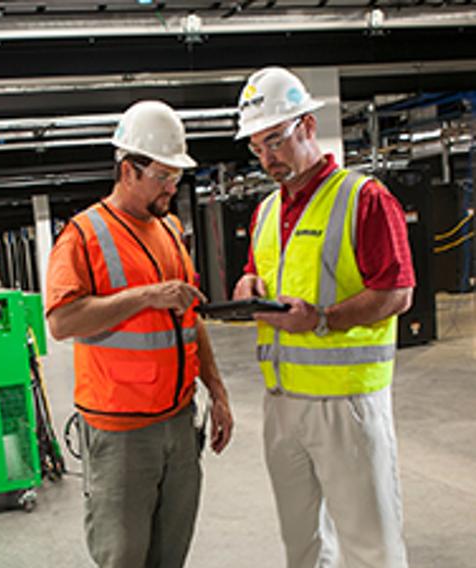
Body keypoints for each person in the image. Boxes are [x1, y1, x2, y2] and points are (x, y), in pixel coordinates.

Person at [232, 67, 414, 568]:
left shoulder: (364, 199)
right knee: (302, 544)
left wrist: (322, 319)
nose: (268, 157)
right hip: (282, 400)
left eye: (276, 140)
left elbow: (398, 292)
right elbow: (255, 274)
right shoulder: (266, 210)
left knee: (369, 544)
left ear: (308, 127)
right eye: (257, 147)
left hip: (346, 402)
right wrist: (249, 289)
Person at [45, 100, 234, 568]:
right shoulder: (83, 235)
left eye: (176, 178)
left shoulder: (169, 228)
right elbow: (62, 322)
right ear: (128, 170)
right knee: (124, 556)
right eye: (163, 178)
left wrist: (218, 390)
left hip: (177, 420)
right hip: (121, 433)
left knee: (171, 553)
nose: (172, 188)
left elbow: (191, 318)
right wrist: (147, 297)